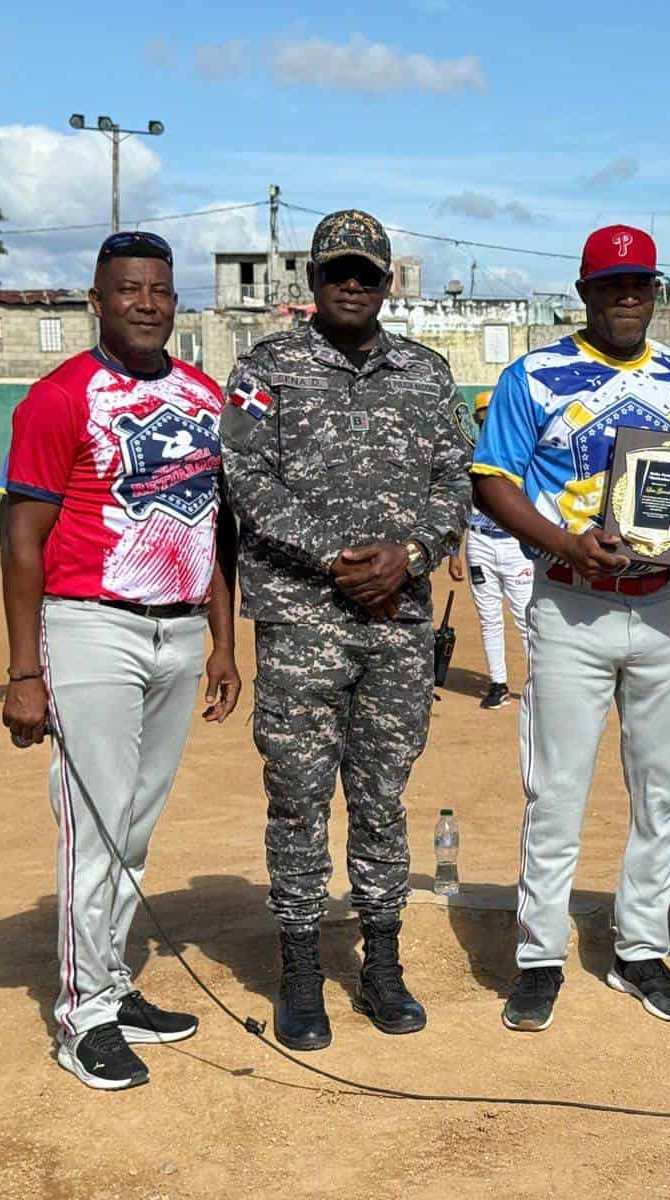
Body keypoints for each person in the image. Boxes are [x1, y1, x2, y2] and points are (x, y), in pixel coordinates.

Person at [472, 225, 670, 1033]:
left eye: (642, 283)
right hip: (568, 600)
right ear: (584, 293)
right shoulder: (535, 376)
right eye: (612, 283)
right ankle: (539, 956)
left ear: (657, 293)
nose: (628, 296)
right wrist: (563, 544)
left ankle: (639, 948)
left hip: (662, 606)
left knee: (661, 789)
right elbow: (491, 483)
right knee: (555, 789)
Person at [220, 210, 471, 1051]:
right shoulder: (266, 369)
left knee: (381, 797)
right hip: (303, 621)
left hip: (396, 624)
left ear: (388, 280)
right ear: (313, 282)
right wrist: (338, 558)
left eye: (367, 272)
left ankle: (381, 961)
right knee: (296, 801)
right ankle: (298, 968)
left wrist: (412, 554)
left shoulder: (426, 373)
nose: (352, 285)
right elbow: (245, 478)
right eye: (338, 272)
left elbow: (454, 483)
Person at [1, 231, 241, 1090]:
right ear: (96, 301)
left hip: (177, 630)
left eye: (161, 290)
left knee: (134, 828)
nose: (147, 302)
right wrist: (25, 671)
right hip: (91, 624)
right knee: (93, 829)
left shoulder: (205, 396)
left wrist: (222, 639)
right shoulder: (61, 397)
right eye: (129, 289)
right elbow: (21, 537)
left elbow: (215, 529)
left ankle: (110, 981)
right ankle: (80, 1018)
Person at [456, 391, 533, 709]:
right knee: (489, 618)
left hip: (515, 545)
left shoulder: (521, 454)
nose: (488, 421)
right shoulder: (468, 457)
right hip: (479, 542)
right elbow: (458, 505)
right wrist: (453, 554)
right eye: (482, 417)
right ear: (477, 421)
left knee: (527, 618)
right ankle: (498, 684)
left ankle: (539, 684)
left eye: (493, 415)